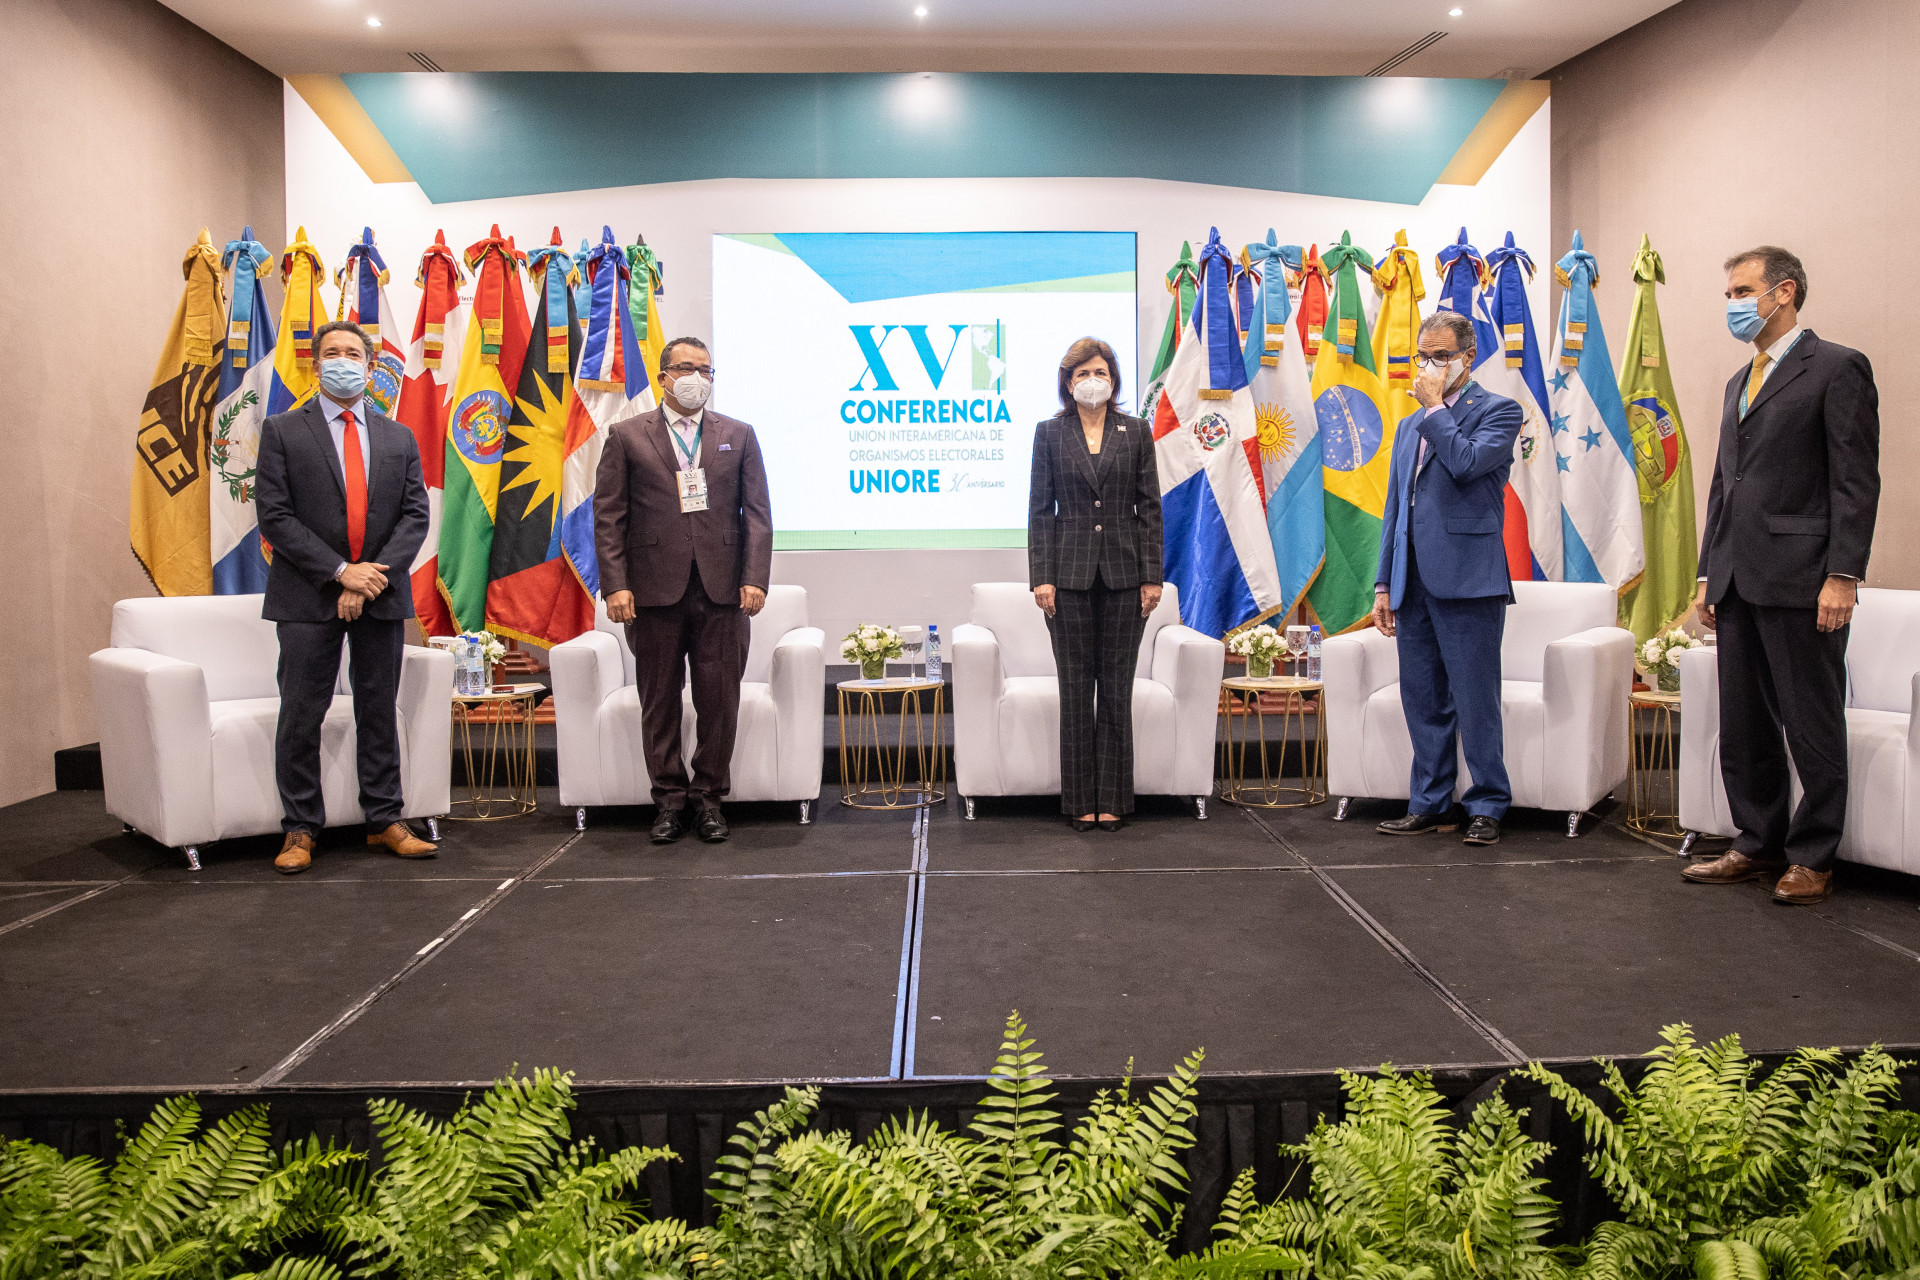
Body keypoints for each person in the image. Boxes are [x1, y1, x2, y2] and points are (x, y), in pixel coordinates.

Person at [1683, 246, 1880, 904]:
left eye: (1743, 291)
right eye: (1729, 294)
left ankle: (1813, 856)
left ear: (1785, 291)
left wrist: (1843, 575)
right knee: (1745, 725)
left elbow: (1855, 481)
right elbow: (1725, 485)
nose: (1733, 304)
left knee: (1810, 722)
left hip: (1804, 579)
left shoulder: (1837, 367)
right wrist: (1709, 573)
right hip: (1737, 579)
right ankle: (1757, 841)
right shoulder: (1738, 381)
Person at [253, 320, 436, 874]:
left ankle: (385, 820)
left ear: (371, 365)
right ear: (315, 365)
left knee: (378, 709)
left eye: (353, 353)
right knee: (301, 712)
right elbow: (275, 516)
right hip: (307, 596)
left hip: (380, 595)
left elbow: (415, 516)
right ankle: (300, 827)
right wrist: (340, 573)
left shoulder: (398, 437)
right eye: (331, 352)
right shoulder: (283, 431)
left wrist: (368, 578)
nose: (342, 361)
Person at [594, 337, 773, 845]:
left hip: (723, 591)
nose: (698, 378)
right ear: (664, 377)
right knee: (659, 701)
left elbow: (758, 515)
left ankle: (710, 799)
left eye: (706, 370)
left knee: (719, 701)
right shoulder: (626, 436)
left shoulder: (738, 435)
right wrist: (616, 584)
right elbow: (608, 518)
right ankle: (669, 802)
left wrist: (754, 577)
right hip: (652, 593)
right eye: (687, 368)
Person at [1371, 311, 1524, 846]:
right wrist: (1384, 583)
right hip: (1412, 580)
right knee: (1423, 698)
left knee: (1475, 698)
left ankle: (1487, 804)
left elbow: (1465, 463)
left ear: (1468, 356)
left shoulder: (1499, 411)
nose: (1429, 366)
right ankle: (1431, 803)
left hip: (1469, 578)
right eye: (1423, 356)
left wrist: (1436, 407)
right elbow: (1395, 509)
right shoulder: (1407, 426)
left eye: (1441, 356)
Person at [1028, 337, 1163, 831]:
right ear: (1068, 383)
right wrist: (1041, 577)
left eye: (1100, 372)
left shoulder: (1136, 431)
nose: (1092, 381)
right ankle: (1080, 800)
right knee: (1075, 690)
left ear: (1113, 380)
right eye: (1082, 373)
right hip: (1067, 578)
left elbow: (1150, 507)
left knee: (1116, 690)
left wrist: (1152, 576)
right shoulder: (1049, 433)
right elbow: (1040, 511)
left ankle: (1114, 799)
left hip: (1126, 577)